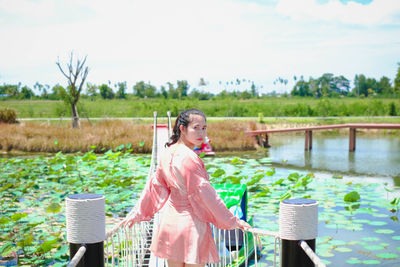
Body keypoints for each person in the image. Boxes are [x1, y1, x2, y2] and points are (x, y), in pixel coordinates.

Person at [121, 109, 251, 267]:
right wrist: (232, 220)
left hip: (170, 223)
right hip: (191, 225)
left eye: (204, 128)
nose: (201, 133)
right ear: (182, 129)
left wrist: (138, 213)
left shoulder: (167, 153)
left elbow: (155, 187)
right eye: (196, 127)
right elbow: (206, 195)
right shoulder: (190, 158)